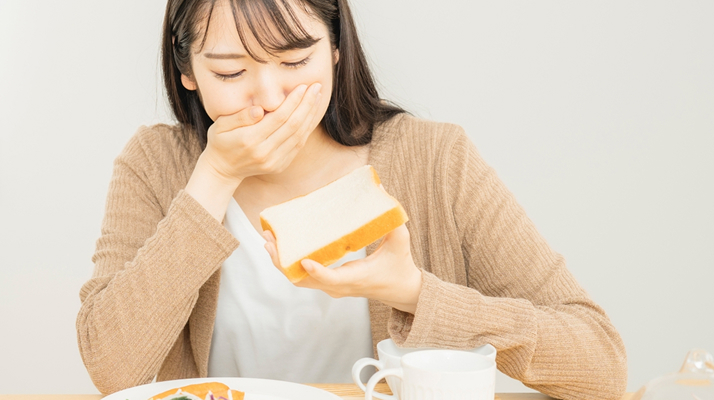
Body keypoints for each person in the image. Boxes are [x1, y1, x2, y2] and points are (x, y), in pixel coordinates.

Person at [76, 0, 628, 399]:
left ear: (337, 50)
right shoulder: (157, 163)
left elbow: (600, 363)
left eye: (295, 63)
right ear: (188, 73)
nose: (270, 99)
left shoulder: (434, 158)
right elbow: (113, 368)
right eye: (231, 71)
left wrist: (415, 293)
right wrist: (214, 177)